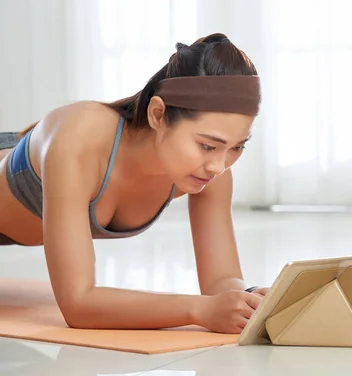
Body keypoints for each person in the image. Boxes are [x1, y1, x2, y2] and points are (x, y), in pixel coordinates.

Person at [0, 33, 269, 334]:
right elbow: (78, 304)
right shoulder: (77, 138)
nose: (219, 166)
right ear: (158, 114)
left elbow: (222, 280)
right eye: (208, 146)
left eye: (237, 147)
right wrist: (198, 310)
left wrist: (247, 299)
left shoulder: (209, 171)